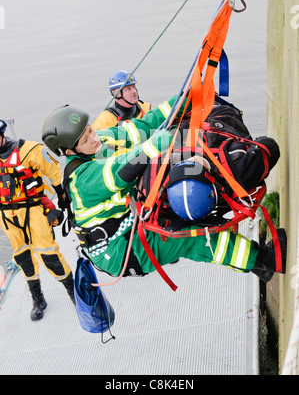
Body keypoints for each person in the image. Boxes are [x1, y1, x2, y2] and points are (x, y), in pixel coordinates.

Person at [42, 98, 286, 285]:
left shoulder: (97, 142)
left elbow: (143, 126)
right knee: (190, 237)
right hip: (118, 249)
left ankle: (258, 263)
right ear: (69, 151)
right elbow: (122, 169)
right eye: (86, 139)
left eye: (90, 130)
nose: (95, 138)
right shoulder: (82, 181)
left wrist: (183, 99)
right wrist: (161, 142)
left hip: (126, 220)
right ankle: (263, 262)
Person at [0, 120, 75, 321]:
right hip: (7, 216)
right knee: (22, 257)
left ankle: (74, 292)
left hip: (33, 209)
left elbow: (54, 173)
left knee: (49, 253)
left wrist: (62, 198)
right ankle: (38, 298)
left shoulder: (29, 150)